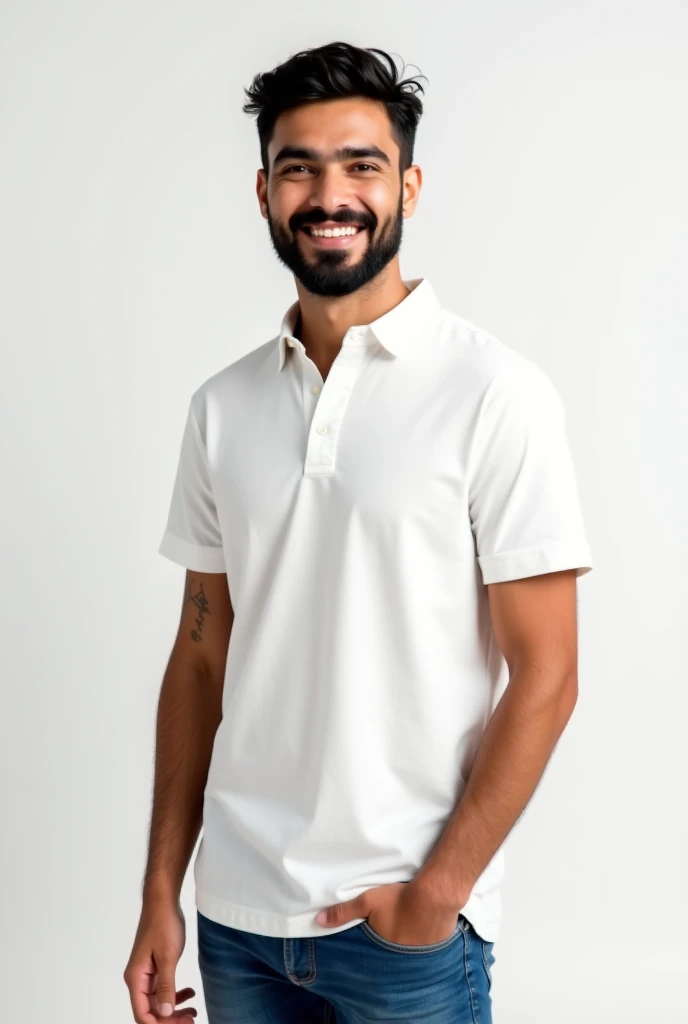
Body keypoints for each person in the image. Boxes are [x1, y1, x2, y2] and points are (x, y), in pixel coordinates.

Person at [123, 39, 594, 1024]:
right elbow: (201, 661)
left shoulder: (494, 394)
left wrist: (435, 894)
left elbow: (546, 673)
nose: (327, 193)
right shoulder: (223, 407)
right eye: (299, 167)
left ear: (408, 187)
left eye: (360, 166)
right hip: (236, 924)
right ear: (263, 193)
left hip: (404, 934)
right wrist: (160, 890)